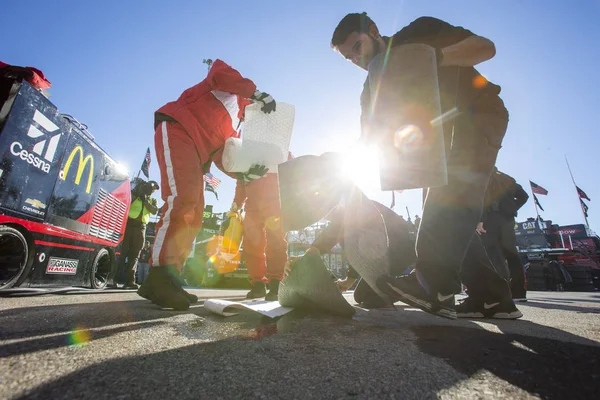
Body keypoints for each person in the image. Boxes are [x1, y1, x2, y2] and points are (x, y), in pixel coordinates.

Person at [331, 13, 520, 319]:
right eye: (349, 56)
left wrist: (434, 58)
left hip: (477, 114)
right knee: (439, 217)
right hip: (438, 142)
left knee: (451, 202)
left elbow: (485, 47)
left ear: (374, 32)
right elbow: (369, 136)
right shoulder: (372, 87)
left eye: (357, 46)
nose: (356, 58)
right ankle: (492, 297)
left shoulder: (419, 33)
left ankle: (434, 286)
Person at [138, 59, 276, 310]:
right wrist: (256, 92)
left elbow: (224, 157)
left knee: (195, 214)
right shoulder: (232, 87)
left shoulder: (235, 127)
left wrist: (246, 174)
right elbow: (220, 72)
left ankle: (171, 277)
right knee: (182, 201)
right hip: (178, 128)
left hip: (198, 153)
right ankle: (158, 276)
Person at [302, 200, 416, 308]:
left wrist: (311, 252)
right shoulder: (351, 210)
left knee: (373, 298)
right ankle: (400, 287)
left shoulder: (350, 209)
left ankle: (411, 288)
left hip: (398, 251)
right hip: (390, 250)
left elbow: (356, 247)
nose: (327, 219)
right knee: (362, 296)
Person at [231, 169, 288, 301]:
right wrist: (237, 201)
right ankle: (258, 283)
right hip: (253, 205)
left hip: (275, 203)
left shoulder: (281, 152)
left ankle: (276, 283)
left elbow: (290, 171)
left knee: (277, 242)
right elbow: (241, 178)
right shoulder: (247, 153)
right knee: (251, 245)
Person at [476, 169, 529, 302]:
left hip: (490, 218)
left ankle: (499, 291)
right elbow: (524, 196)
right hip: (508, 219)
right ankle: (518, 292)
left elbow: (484, 199)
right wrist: (512, 208)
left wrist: (480, 219)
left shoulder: (484, 177)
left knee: (493, 254)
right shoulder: (508, 179)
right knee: (511, 254)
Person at [118, 180, 159, 289]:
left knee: (135, 255)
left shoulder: (152, 200)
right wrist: (136, 194)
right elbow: (126, 203)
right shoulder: (134, 195)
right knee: (122, 253)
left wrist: (145, 200)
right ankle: (114, 279)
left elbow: (154, 211)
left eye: (154, 190)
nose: (153, 191)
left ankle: (130, 281)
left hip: (141, 227)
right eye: (152, 188)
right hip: (128, 225)